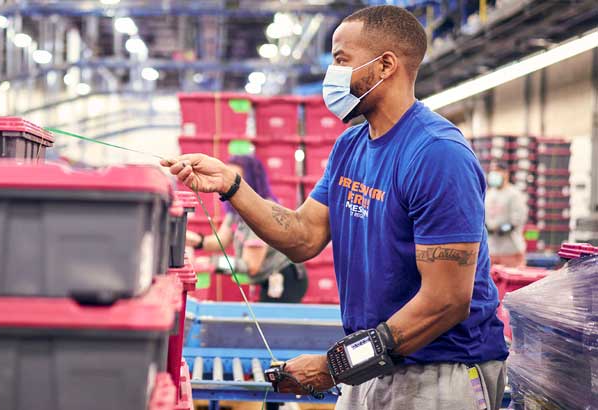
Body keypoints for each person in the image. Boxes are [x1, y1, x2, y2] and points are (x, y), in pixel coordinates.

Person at [162, 5, 508, 410]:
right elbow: (303, 236)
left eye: (342, 60)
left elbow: (446, 300)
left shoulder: (437, 154)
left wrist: (333, 366)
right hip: (370, 361)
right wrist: (232, 185)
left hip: (440, 372)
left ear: (385, 66)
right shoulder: (350, 147)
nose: (332, 75)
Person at [187, 155, 308, 303]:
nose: (225, 184)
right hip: (267, 279)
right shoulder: (235, 210)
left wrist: (213, 263)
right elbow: (221, 240)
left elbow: (251, 266)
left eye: (234, 179)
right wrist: (194, 240)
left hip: (285, 280)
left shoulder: (260, 212)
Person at [485, 163, 528, 267]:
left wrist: (503, 229)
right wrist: (487, 228)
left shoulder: (514, 195)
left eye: (498, 171)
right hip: (491, 251)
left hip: (511, 251)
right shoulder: (489, 194)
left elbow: (517, 221)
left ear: (506, 174)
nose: (494, 174)